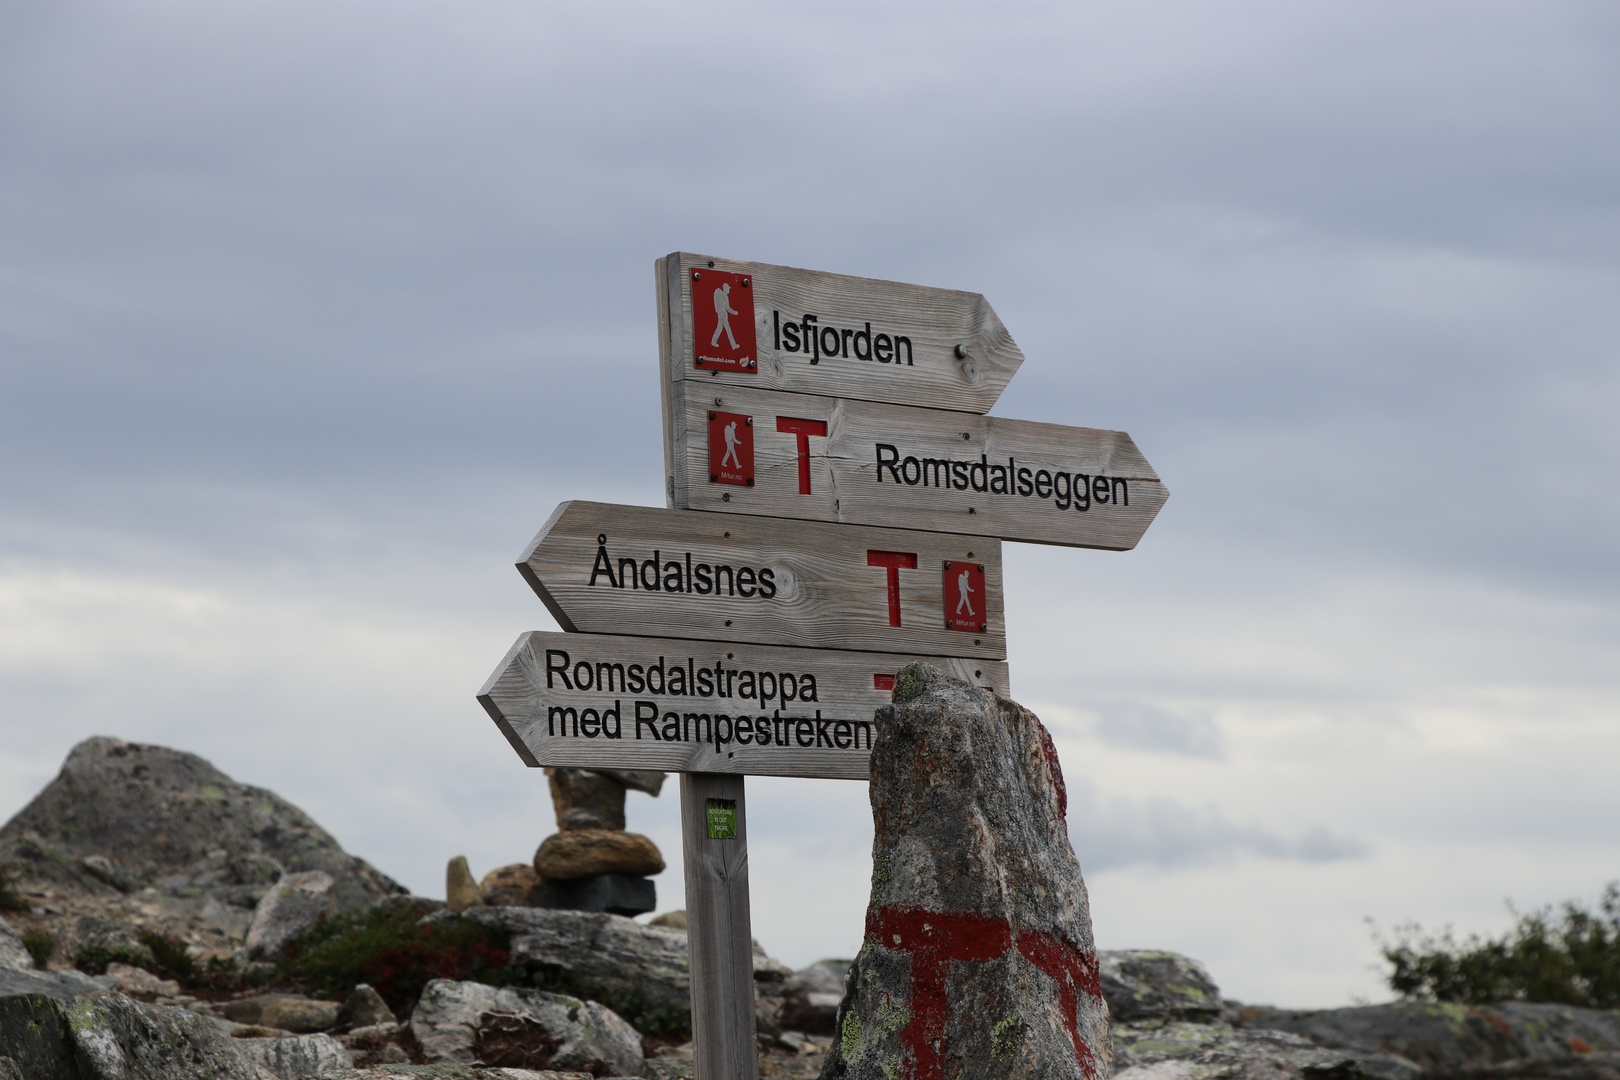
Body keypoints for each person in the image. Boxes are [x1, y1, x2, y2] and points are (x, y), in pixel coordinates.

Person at [710, 282, 740, 350]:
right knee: (728, 329)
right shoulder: (724, 296)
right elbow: (728, 308)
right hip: (723, 315)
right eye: (728, 289)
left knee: (719, 328)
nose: (729, 290)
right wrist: (735, 312)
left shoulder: (718, 294)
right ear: (726, 289)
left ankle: (713, 342)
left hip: (720, 314)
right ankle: (733, 345)